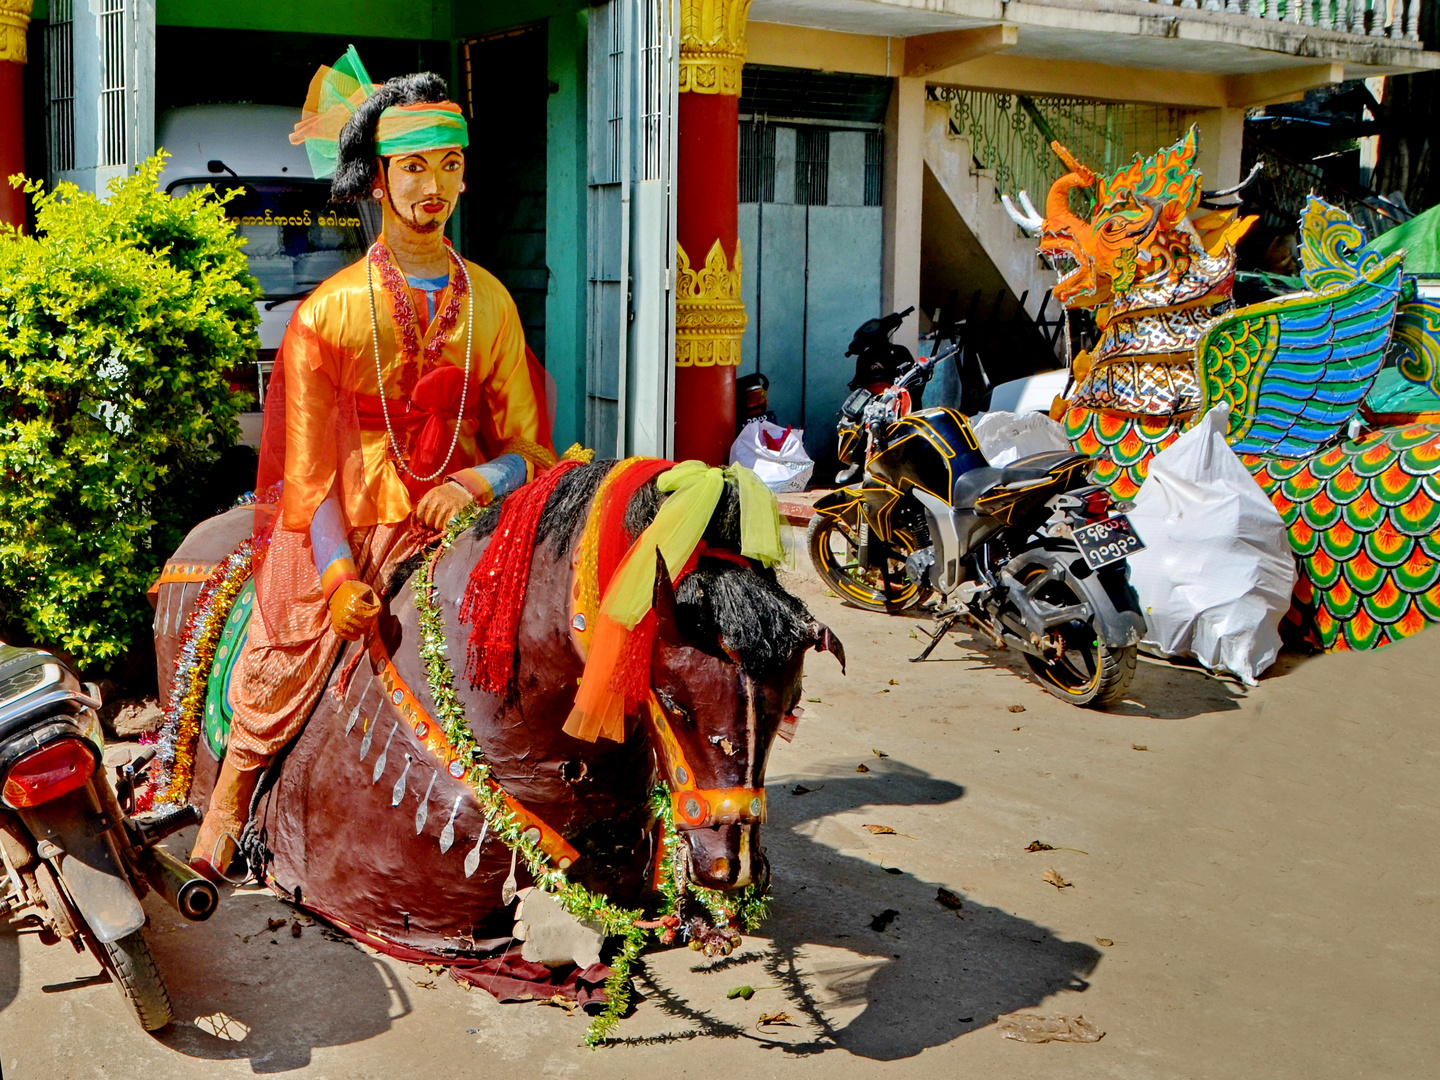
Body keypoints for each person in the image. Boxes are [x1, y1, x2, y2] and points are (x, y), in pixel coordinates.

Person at [190, 48, 555, 879]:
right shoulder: (332, 312)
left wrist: (474, 481)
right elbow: (309, 472)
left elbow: (529, 449)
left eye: (449, 165)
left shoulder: (492, 302)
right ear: (378, 180)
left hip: (464, 517)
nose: (433, 186)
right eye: (412, 167)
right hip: (349, 523)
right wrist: (338, 576)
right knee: (283, 651)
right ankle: (229, 799)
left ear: (465, 178)